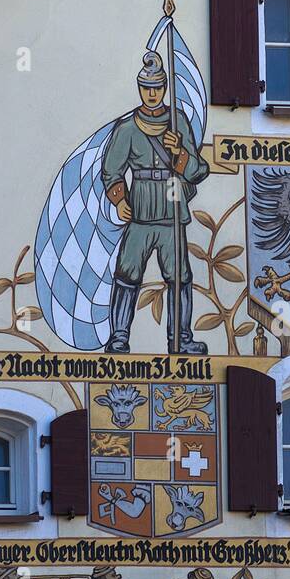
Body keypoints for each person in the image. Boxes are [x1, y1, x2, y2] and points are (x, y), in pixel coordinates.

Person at [101, 50, 211, 354]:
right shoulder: (127, 128)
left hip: (171, 210)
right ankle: (119, 337)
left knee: (179, 277)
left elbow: (198, 171)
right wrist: (119, 198)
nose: (152, 94)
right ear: (140, 89)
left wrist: (180, 153)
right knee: (127, 274)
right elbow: (111, 169)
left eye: (157, 88)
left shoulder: (178, 122)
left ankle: (181, 339)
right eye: (146, 88)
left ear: (164, 89)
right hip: (140, 211)